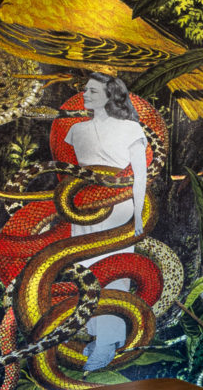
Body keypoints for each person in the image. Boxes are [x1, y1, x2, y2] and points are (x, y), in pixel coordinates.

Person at [63, 73, 147, 371]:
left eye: (93, 90)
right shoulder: (76, 129)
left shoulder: (130, 128)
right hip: (84, 206)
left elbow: (140, 176)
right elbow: (73, 172)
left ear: (111, 95)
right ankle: (98, 336)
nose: (85, 94)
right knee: (86, 270)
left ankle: (109, 342)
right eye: (85, 89)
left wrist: (139, 215)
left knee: (113, 270)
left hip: (117, 207)